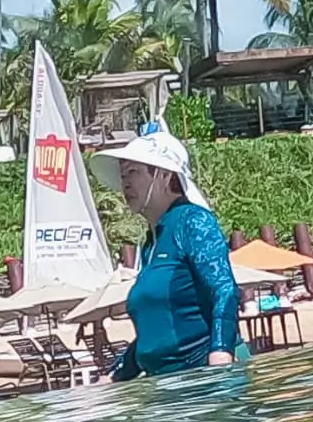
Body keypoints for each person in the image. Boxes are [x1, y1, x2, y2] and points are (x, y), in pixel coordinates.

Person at [99, 126, 241, 379]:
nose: (125, 183)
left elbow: (224, 289)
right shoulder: (150, 244)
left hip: (205, 376)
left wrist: (221, 352)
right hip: (169, 384)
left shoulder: (193, 221)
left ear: (164, 175)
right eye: (122, 175)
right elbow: (154, 336)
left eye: (133, 172)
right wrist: (114, 375)